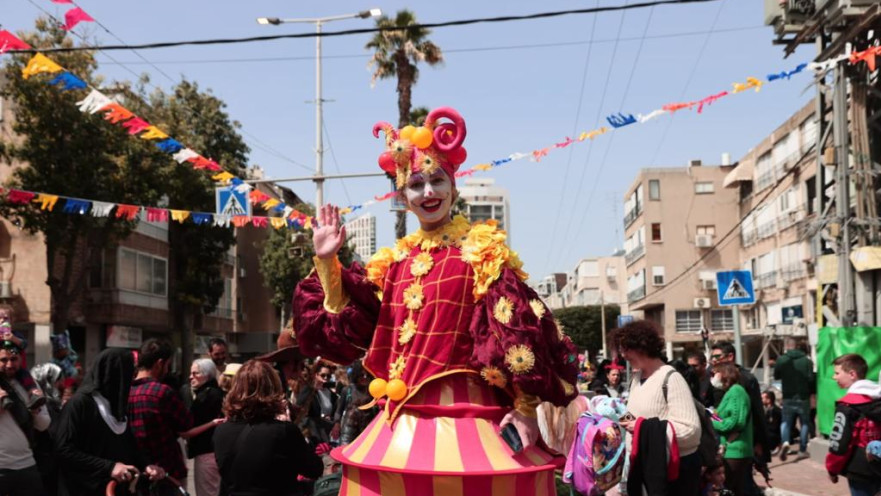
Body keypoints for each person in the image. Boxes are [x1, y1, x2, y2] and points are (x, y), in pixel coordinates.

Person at [292, 107, 579, 495]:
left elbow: (517, 334)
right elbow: (353, 321)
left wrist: (527, 410)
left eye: (437, 180)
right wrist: (327, 261)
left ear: (454, 188)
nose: (428, 192)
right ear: (403, 197)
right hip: (400, 422)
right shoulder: (393, 262)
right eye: (416, 185)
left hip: (476, 418)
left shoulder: (481, 251)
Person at [53, 348, 167, 496]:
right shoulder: (80, 404)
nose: (131, 379)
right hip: (83, 489)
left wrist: (146, 465)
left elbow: (129, 446)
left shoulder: (117, 407)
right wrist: (109, 467)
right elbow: (63, 449)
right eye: (128, 373)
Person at [612, 320, 702, 495]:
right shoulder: (636, 378)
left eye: (625, 349)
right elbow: (635, 416)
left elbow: (691, 430)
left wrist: (640, 427)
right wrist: (618, 418)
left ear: (642, 346)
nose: (623, 355)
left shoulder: (671, 378)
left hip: (673, 473)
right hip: (644, 467)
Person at [213, 360, 323, 496]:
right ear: (273, 388)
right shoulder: (283, 431)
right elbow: (314, 469)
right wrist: (290, 426)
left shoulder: (221, 431)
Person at [128, 339, 194, 484]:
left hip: (137, 471)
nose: (167, 370)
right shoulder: (162, 392)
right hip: (167, 471)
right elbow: (186, 424)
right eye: (167, 365)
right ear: (159, 363)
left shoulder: (125, 392)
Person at [826, 353, 881, 496]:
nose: (834, 377)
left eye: (837, 373)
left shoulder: (847, 406)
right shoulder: (877, 398)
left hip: (860, 470)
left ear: (852, 374)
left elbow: (839, 443)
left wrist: (832, 469)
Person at [0, 342, 51, 496]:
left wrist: (35, 410)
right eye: (3, 360)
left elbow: (44, 425)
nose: (9, 364)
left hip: (27, 466)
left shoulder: (29, 384)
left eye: (14, 359)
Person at [183, 358, 226, 496]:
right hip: (220, 451)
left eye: (195, 373)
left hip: (206, 453)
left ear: (207, 375)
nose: (191, 377)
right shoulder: (217, 393)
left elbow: (188, 428)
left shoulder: (205, 397)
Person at [710, 363, 754, 496]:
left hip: (735, 449)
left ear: (723, 374)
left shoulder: (736, 391)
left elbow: (736, 421)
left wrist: (713, 422)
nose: (713, 377)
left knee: (729, 487)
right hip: (733, 449)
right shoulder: (732, 391)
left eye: (715, 374)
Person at [773, 337, 815, 461]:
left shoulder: (781, 360)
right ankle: (802, 450)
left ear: (786, 346)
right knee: (804, 423)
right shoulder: (806, 361)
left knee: (785, 422)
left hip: (788, 396)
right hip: (803, 396)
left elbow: (776, 375)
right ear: (797, 346)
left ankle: (785, 441)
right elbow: (811, 379)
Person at [30, 363, 65, 496]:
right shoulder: (41, 408)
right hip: (43, 468)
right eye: (57, 381)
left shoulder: (54, 405)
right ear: (47, 381)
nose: (62, 384)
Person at [332, 360, 378, 446]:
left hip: (368, 428)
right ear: (355, 375)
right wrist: (336, 424)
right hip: (349, 427)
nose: (365, 377)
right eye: (361, 375)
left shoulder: (373, 390)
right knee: (345, 450)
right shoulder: (347, 390)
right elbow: (339, 410)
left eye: (367, 375)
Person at [296, 361, 338, 444]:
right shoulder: (309, 389)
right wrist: (312, 389)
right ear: (316, 375)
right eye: (323, 375)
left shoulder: (332, 395)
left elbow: (336, 412)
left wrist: (331, 418)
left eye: (328, 376)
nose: (326, 378)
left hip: (327, 432)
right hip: (312, 432)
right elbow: (299, 406)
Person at [762, 390, 782, 455]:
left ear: (769, 400)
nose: (761, 400)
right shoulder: (766, 409)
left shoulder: (775, 411)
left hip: (773, 435)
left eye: (763, 398)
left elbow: (774, 426)